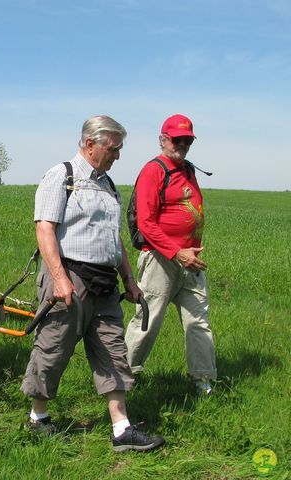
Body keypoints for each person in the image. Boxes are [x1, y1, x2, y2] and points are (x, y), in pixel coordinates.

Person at [20, 115, 164, 452]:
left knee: (114, 351)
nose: (118, 155)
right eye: (113, 148)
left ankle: (121, 429)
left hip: (105, 283)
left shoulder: (108, 185)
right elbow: (44, 229)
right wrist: (59, 279)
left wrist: (129, 279)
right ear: (90, 144)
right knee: (53, 349)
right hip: (69, 278)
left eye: (119, 149)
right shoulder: (62, 177)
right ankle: (37, 417)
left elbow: (114, 238)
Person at [125, 114, 216, 395]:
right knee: (148, 319)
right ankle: (123, 375)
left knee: (198, 321)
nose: (183, 144)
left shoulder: (188, 169)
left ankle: (203, 380)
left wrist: (188, 254)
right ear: (163, 139)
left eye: (187, 140)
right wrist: (178, 253)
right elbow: (146, 223)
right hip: (161, 260)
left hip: (190, 262)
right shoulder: (153, 170)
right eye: (177, 139)